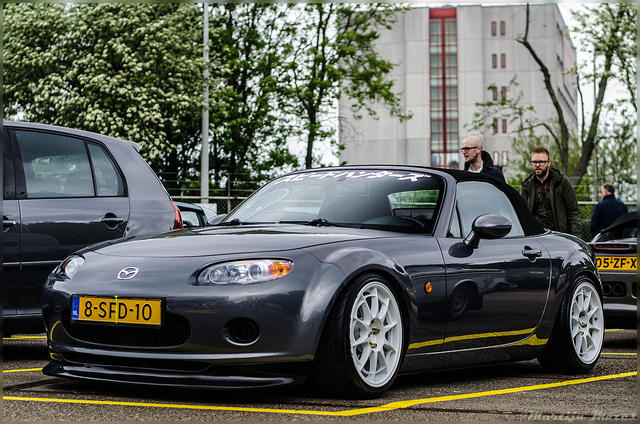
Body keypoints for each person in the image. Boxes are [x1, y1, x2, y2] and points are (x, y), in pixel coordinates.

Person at [520, 146, 581, 236]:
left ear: (549, 162)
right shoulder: (526, 185)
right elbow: (522, 213)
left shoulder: (561, 181)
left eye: (541, 162)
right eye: (534, 162)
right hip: (535, 235)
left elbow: (573, 212)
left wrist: (576, 236)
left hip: (558, 235)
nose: (537, 165)